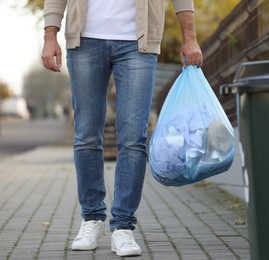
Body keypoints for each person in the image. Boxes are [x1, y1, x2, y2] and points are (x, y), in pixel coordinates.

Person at [41, 0, 203, 257]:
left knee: (133, 138)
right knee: (86, 136)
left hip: (138, 43)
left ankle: (123, 226)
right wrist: (51, 35)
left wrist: (190, 37)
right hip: (84, 40)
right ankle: (92, 219)